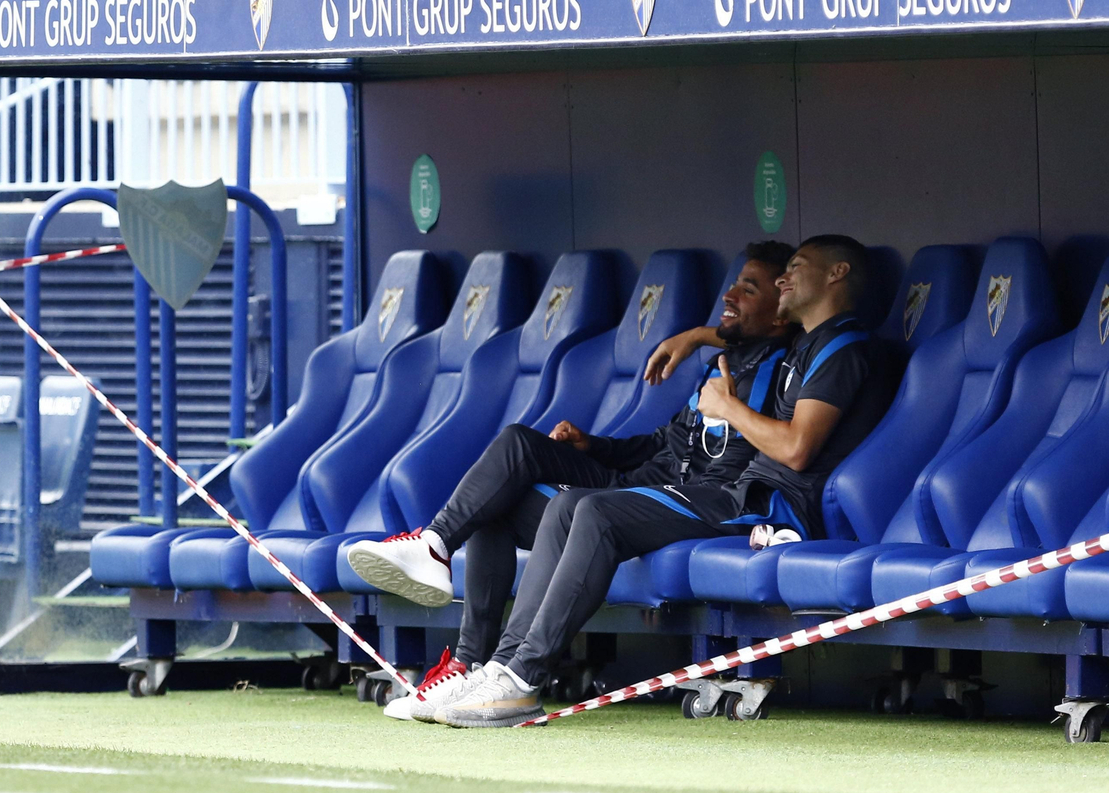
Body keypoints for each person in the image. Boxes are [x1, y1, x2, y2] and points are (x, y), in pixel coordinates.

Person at [430, 235, 883, 728]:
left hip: (770, 510)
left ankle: (523, 678)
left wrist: (728, 406)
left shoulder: (844, 346)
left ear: (836, 274)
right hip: (743, 496)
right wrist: (695, 337)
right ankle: (500, 667)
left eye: (795, 267)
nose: (782, 280)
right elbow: (752, 333)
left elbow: (797, 449)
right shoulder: (807, 343)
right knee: (562, 507)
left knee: (596, 511)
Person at [345, 242, 796, 721]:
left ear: (782, 310)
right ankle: (464, 641)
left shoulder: (785, 365)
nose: (731, 294)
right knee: (511, 460)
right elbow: (665, 443)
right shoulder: (724, 359)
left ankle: (515, 676)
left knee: (579, 508)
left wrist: (706, 349)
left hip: (699, 504)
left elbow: (781, 442)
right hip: (638, 483)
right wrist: (593, 445)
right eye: (736, 283)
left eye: (749, 289)